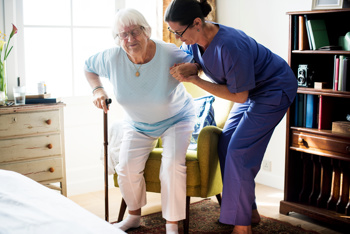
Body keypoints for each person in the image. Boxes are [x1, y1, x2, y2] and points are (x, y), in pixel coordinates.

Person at [164, 0, 298, 233]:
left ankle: (242, 226)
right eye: (171, 32)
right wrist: (192, 68)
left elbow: (239, 96)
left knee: (239, 150)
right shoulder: (196, 40)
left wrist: (196, 79)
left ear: (197, 23)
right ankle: (250, 212)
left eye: (178, 32)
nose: (177, 38)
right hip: (251, 91)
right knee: (226, 144)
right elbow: (194, 60)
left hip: (274, 88)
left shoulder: (230, 45)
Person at [85, 8, 198, 234]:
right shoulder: (111, 58)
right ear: (117, 39)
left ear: (146, 31)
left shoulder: (169, 53)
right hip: (137, 123)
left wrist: (192, 69)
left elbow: (198, 64)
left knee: (171, 166)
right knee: (125, 167)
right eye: (123, 35)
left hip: (176, 119)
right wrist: (97, 89)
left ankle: (172, 225)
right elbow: (88, 67)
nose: (129, 39)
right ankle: (134, 216)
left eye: (134, 32)